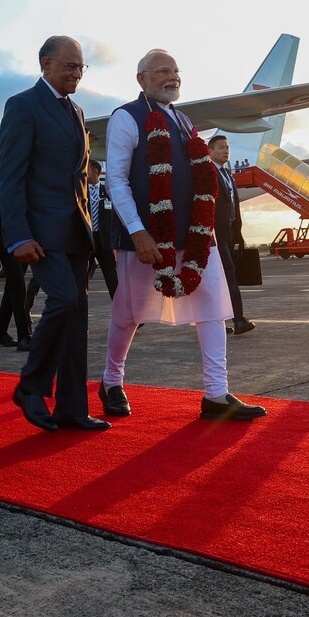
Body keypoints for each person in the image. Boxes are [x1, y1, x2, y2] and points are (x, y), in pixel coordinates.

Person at [98, 49, 265, 422]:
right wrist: (138, 232)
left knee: (212, 309)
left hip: (193, 238)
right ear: (141, 78)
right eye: (162, 71)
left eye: (175, 71)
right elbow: (118, 180)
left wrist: (206, 231)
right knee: (128, 314)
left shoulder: (185, 121)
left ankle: (216, 394)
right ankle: (111, 381)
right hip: (147, 238)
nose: (172, 77)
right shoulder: (127, 117)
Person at [0, 35, 109, 432]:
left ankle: (72, 409)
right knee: (62, 301)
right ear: (45, 64)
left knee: (76, 316)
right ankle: (30, 386)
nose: (77, 72)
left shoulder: (76, 111)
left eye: (81, 66)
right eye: (69, 66)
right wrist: (17, 236)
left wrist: (92, 232)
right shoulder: (22, 106)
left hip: (77, 232)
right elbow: (10, 178)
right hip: (40, 233)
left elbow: (79, 178)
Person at [208, 134, 256, 336]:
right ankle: (238, 320)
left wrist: (238, 233)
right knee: (226, 275)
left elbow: (233, 205)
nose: (226, 150)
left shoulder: (227, 174)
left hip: (228, 232)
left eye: (227, 147)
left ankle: (220, 321)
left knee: (224, 277)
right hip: (214, 234)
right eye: (221, 147)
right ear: (209, 151)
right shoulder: (207, 173)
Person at [0, 166, 33, 350]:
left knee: (13, 286)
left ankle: (0, 332)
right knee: (18, 286)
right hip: (2, 240)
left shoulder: (24, 177)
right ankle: (25, 336)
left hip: (22, 239)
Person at [87, 160, 118, 298]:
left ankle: (120, 310)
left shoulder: (108, 192)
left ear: (95, 171)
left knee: (112, 278)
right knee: (83, 277)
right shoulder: (81, 192)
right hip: (86, 241)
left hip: (104, 241)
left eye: (87, 169)